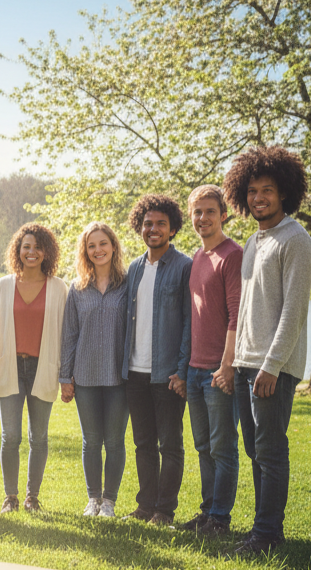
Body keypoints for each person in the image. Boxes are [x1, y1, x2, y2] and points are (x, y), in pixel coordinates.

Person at [223, 146, 311, 555]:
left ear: (285, 193)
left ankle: (265, 535)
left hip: (271, 367)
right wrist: (235, 361)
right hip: (247, 363)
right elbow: (247, 309)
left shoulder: (296, 240)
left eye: (268, 190)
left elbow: (294, 312)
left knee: (271, 450)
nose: (259, 198)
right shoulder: (254, 240)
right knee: (254, 450)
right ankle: (265, 531)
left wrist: (272, 365)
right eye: (252, 191)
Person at [0, 223, 68, 514]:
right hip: (10, 367)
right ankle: (11, 497)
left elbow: (66, 336)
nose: (32, 252)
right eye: (26, 246)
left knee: (38, 438)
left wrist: (67, 376)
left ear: (46, 252)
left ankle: (32, 498)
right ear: (18, 250)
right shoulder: (4, 285)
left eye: (38, 247)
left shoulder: (58, 288)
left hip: (44, 369)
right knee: (11, 436)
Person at [121, 194, 192, 526]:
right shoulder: (134, 268)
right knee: (143, 444)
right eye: (147, 223)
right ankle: (145, 506)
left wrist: (182, 370)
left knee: (171, 445)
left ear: (173, 228)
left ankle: (164, 511)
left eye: (161, 224)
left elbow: (190, 323)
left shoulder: (184, 267)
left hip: (167, 375)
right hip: (134, 373)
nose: (153, 229)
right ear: (140, 227)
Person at [181, 185, 242, 536]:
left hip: (218, 372)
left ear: (223, 215)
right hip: (194, 370)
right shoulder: (199, 256)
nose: (203, 218)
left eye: (209, 211)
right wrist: (185, 368)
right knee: (203, 446)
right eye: (197, 212)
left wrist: (227, 366)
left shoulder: (232, 255)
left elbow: (236, 316)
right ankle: (207, 513)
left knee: (223, 447)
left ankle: (220, 518)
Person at [58, 221, 130, 519]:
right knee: (91, 441)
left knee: (114, 441)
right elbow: (69, 335)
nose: (98, 250)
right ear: (85, 251)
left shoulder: (127, 284)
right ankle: (93, 500)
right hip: (85, 377)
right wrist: (65, 376)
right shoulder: (77, 289)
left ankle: (109, 502)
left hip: (119, 378)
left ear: (113, 246)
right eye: (91, 246)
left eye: (103, 244)